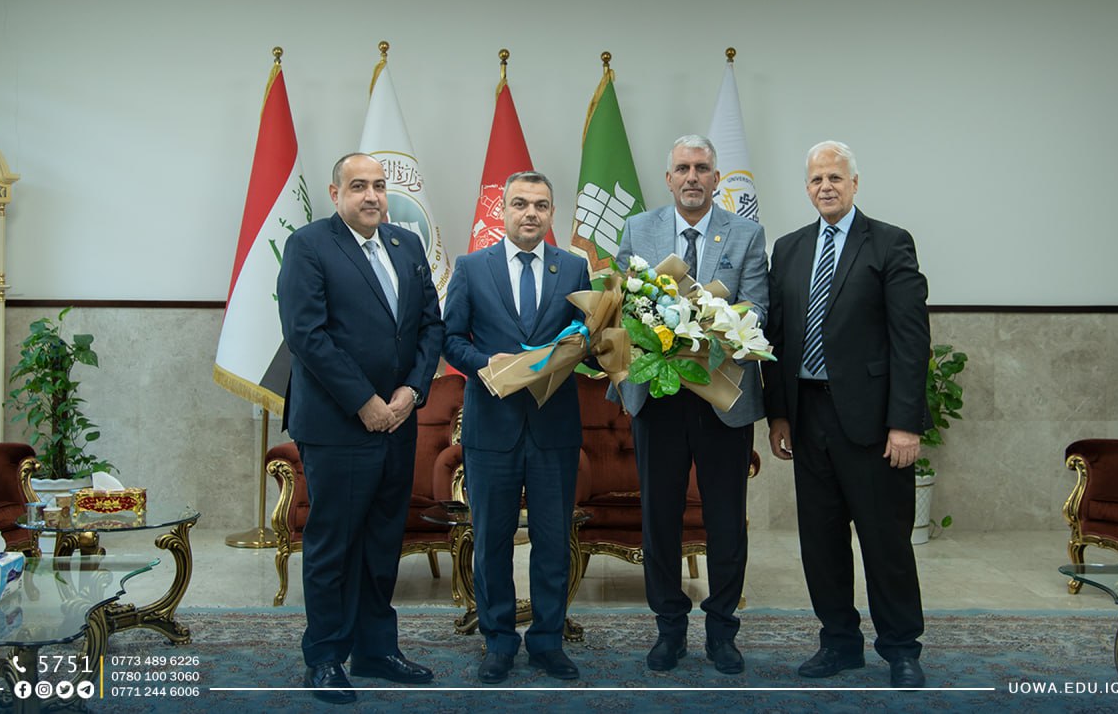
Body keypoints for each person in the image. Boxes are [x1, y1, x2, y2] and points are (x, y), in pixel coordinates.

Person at [277, 152, 445, 704]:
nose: (372, 196)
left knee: (382, 542)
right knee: (333, 546)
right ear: (336, 194)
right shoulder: (309, 245)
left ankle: (376, 649)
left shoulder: (406, 244)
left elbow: (430, 326)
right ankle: (324, 657)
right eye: (358, 186)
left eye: (378, 186)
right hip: (338, 425)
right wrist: (364, 401)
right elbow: (307, 334)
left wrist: (411, 391)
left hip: (398, 420)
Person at [763, 140, 931, 690]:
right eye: (816, 180)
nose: (826, 187)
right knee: (821, 541)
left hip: (873, 423)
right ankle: (838, 643)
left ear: (855, 184)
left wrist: (905, 422)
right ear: (806, 189)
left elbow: (911, 339)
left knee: (885, 542)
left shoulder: (889, 242)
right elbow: (777, 338)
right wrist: (778, 414)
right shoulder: (789, 249)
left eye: (835, 177)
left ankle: (901, 649)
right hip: (807, 416)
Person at [612, 134, 768, 676]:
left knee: (726, 520)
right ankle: (669, 628)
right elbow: (622, 305)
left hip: (723, 398)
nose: (692, 177)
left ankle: (722, 630)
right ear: (669, 178)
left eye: (702, 168)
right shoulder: (639, 229)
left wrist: (702, 329)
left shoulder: (746, 234)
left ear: (717, 179)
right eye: (683, 168)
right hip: (659, 398)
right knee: (660, 518)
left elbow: (758, 308)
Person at [442, 170, 592, 684]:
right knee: (492, 541)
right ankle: (499, 642)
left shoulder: (574, 269)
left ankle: (548, 641)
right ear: (502, 211)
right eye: (521, 204)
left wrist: (590, 347)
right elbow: (451, 339)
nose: (531, 213)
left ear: (552, 214)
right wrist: (487, 364)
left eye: (541, 205)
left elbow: (587, 339)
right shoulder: (471, 267)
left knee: (553, 540)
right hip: (491, 429)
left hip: (554, 429)